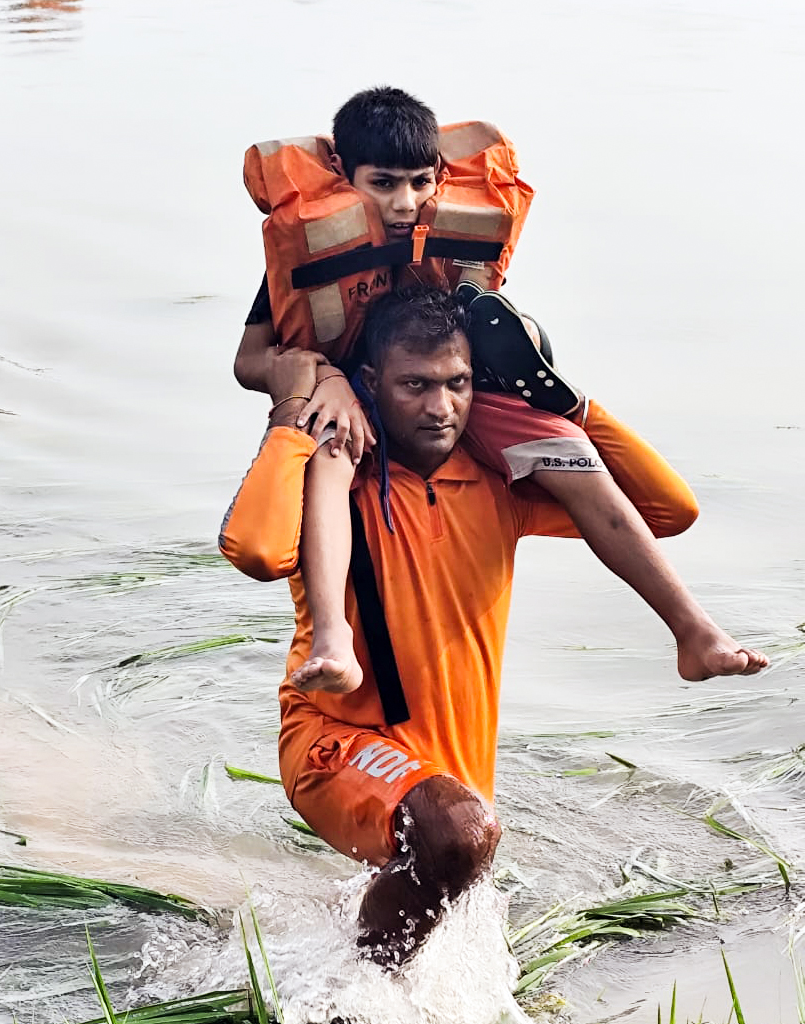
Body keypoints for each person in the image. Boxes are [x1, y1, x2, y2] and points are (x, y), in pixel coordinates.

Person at [220, 286, 768, 967]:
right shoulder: (339, 481)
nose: (439, 407)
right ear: (372, 383)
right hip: (335, 742)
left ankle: (335, 971)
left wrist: (568, 411)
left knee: (452, 848)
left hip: (451, 763)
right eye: (415, 385)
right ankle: (351, 999)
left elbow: (664, 511)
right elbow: (255, 550)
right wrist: (294, 414)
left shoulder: (498, 487)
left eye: (457, 384)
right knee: (454, 835)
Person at [235, 87, 720, 698]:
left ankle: (693, 630)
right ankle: (334, 638)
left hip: (460, 391)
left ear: (440, 175)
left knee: (568, 449)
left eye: (419, 183)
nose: (404, 203)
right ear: (342, 171)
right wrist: (320, 376)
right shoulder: (310, 244)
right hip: (351, 392)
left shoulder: (455, 228)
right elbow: (249, 361)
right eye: (382, 184)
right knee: (334, 455)